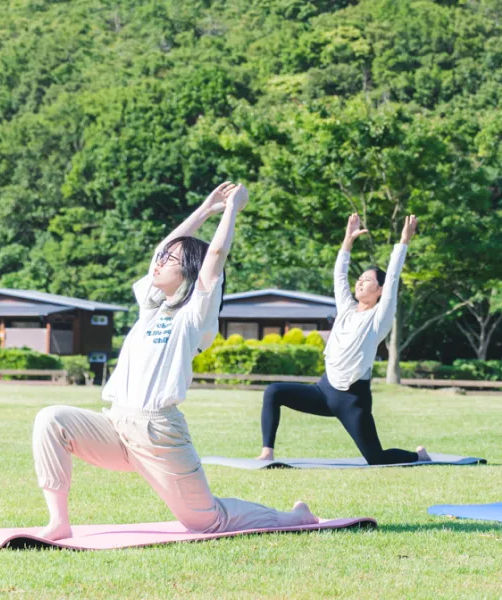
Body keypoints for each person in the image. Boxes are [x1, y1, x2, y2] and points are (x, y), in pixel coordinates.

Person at [33, 182, 318, 541]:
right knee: (51, 419)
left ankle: (293, 517)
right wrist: (205, 209)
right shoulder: (151, 308)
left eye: (171, 261)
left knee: (206, 521)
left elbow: (215, 255)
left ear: (189, 271)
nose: (160, 262)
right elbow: (161, 249)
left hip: (159, 434)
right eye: (162, 258)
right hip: (116, 426)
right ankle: (59, 522)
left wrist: (232, 209)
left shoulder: (195, 315)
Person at [256, 213, 431, 465]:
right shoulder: (346, 309)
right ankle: (267, 452)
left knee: (376, 458)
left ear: (380, 291)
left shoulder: (378, 318)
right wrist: (347, 241)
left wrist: (404, 241)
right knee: (274, 392)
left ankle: (419, 456)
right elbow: (339, 275)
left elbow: (392, 277)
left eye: (367, 280)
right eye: (359, 279)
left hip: (352, 400)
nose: (360, 283)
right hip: (323, 391)